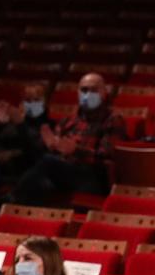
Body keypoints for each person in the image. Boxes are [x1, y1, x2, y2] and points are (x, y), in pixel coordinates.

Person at [10, 71, 126, 204]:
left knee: (47, 164)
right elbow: (55, 148)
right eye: (84, 90)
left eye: (94, 90)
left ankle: (6, 202)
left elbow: (108, 156)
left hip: (92, 176)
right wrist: (52, 145)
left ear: (104, 93)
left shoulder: (113, 119)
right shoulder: (69, 120)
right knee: (40, 181)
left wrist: (76, 150)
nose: (88, 94)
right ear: (78, 93)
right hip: (64, 171)